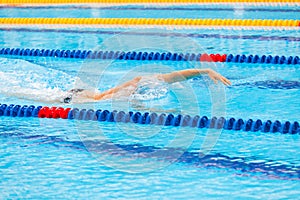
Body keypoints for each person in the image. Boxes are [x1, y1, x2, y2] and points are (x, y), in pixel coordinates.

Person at [62, 68, 231, 103]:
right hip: (87, 99)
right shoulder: (146, 83)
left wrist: (205, 71)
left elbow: (178, 76)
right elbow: (177, 76)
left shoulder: (148, 81)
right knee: (98, 98)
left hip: (95, 95)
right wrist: (206, 70)